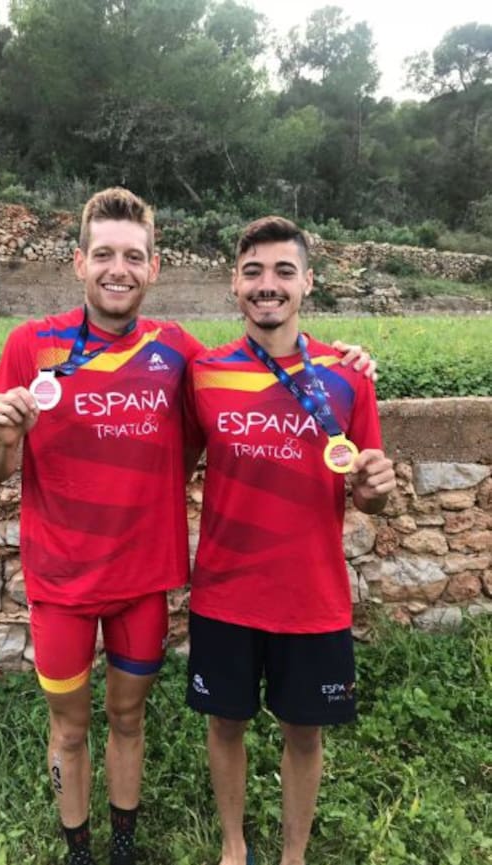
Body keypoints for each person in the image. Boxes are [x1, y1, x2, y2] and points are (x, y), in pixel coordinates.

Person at [0, 188, 377, 865]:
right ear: (79, 261)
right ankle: (79, 851)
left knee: (128, 717)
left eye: (133, 256)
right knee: (68, 728)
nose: (118, 269)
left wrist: (350, 357)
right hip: (59, 582)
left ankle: (123, 847)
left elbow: (264, 365)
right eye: (104, 254)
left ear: (154, 267)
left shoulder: (180, 353)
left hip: (143, 581)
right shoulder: (30, 344)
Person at [184, 215, 396, 865]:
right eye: (253, 271)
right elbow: (162, 463)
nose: (267, 284)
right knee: (226, 722)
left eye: (283, 270)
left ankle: (293, 856)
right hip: (225, 593)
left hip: (311, 596)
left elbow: (367, 494)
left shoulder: (349, 374)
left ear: (308, 281)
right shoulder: (204, 372)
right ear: (234, 283)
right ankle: (233, 847)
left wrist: (378, 487)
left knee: (304, 732)